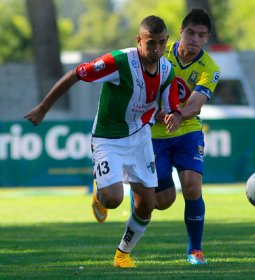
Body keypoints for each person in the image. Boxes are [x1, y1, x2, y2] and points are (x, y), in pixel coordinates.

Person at [24, 15, 182, 268]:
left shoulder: (166, 69)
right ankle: (100, 190)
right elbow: (77, 73)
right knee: (112, 200)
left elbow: (170, 105)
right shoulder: (118, 61)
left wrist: (173, 115)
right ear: (138, 40)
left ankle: (122, 254)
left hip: (140, 137)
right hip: (108, 138)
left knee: (148, 205)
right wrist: (44, 107)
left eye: (162, 43)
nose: (157, 50)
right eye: (151, 43)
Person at [151, 9, 220, 265]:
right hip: (153, 134)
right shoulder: (160, 51)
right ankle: (108, 186)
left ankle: (195, 251)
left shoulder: (210, 68)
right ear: (180, 32)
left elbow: (196, 103)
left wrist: (178, 114)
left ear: (207, 38)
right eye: (190, 32)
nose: (194, 39)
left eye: (201, 35)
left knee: (192, 187)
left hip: (187, 130)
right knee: (161, 201)